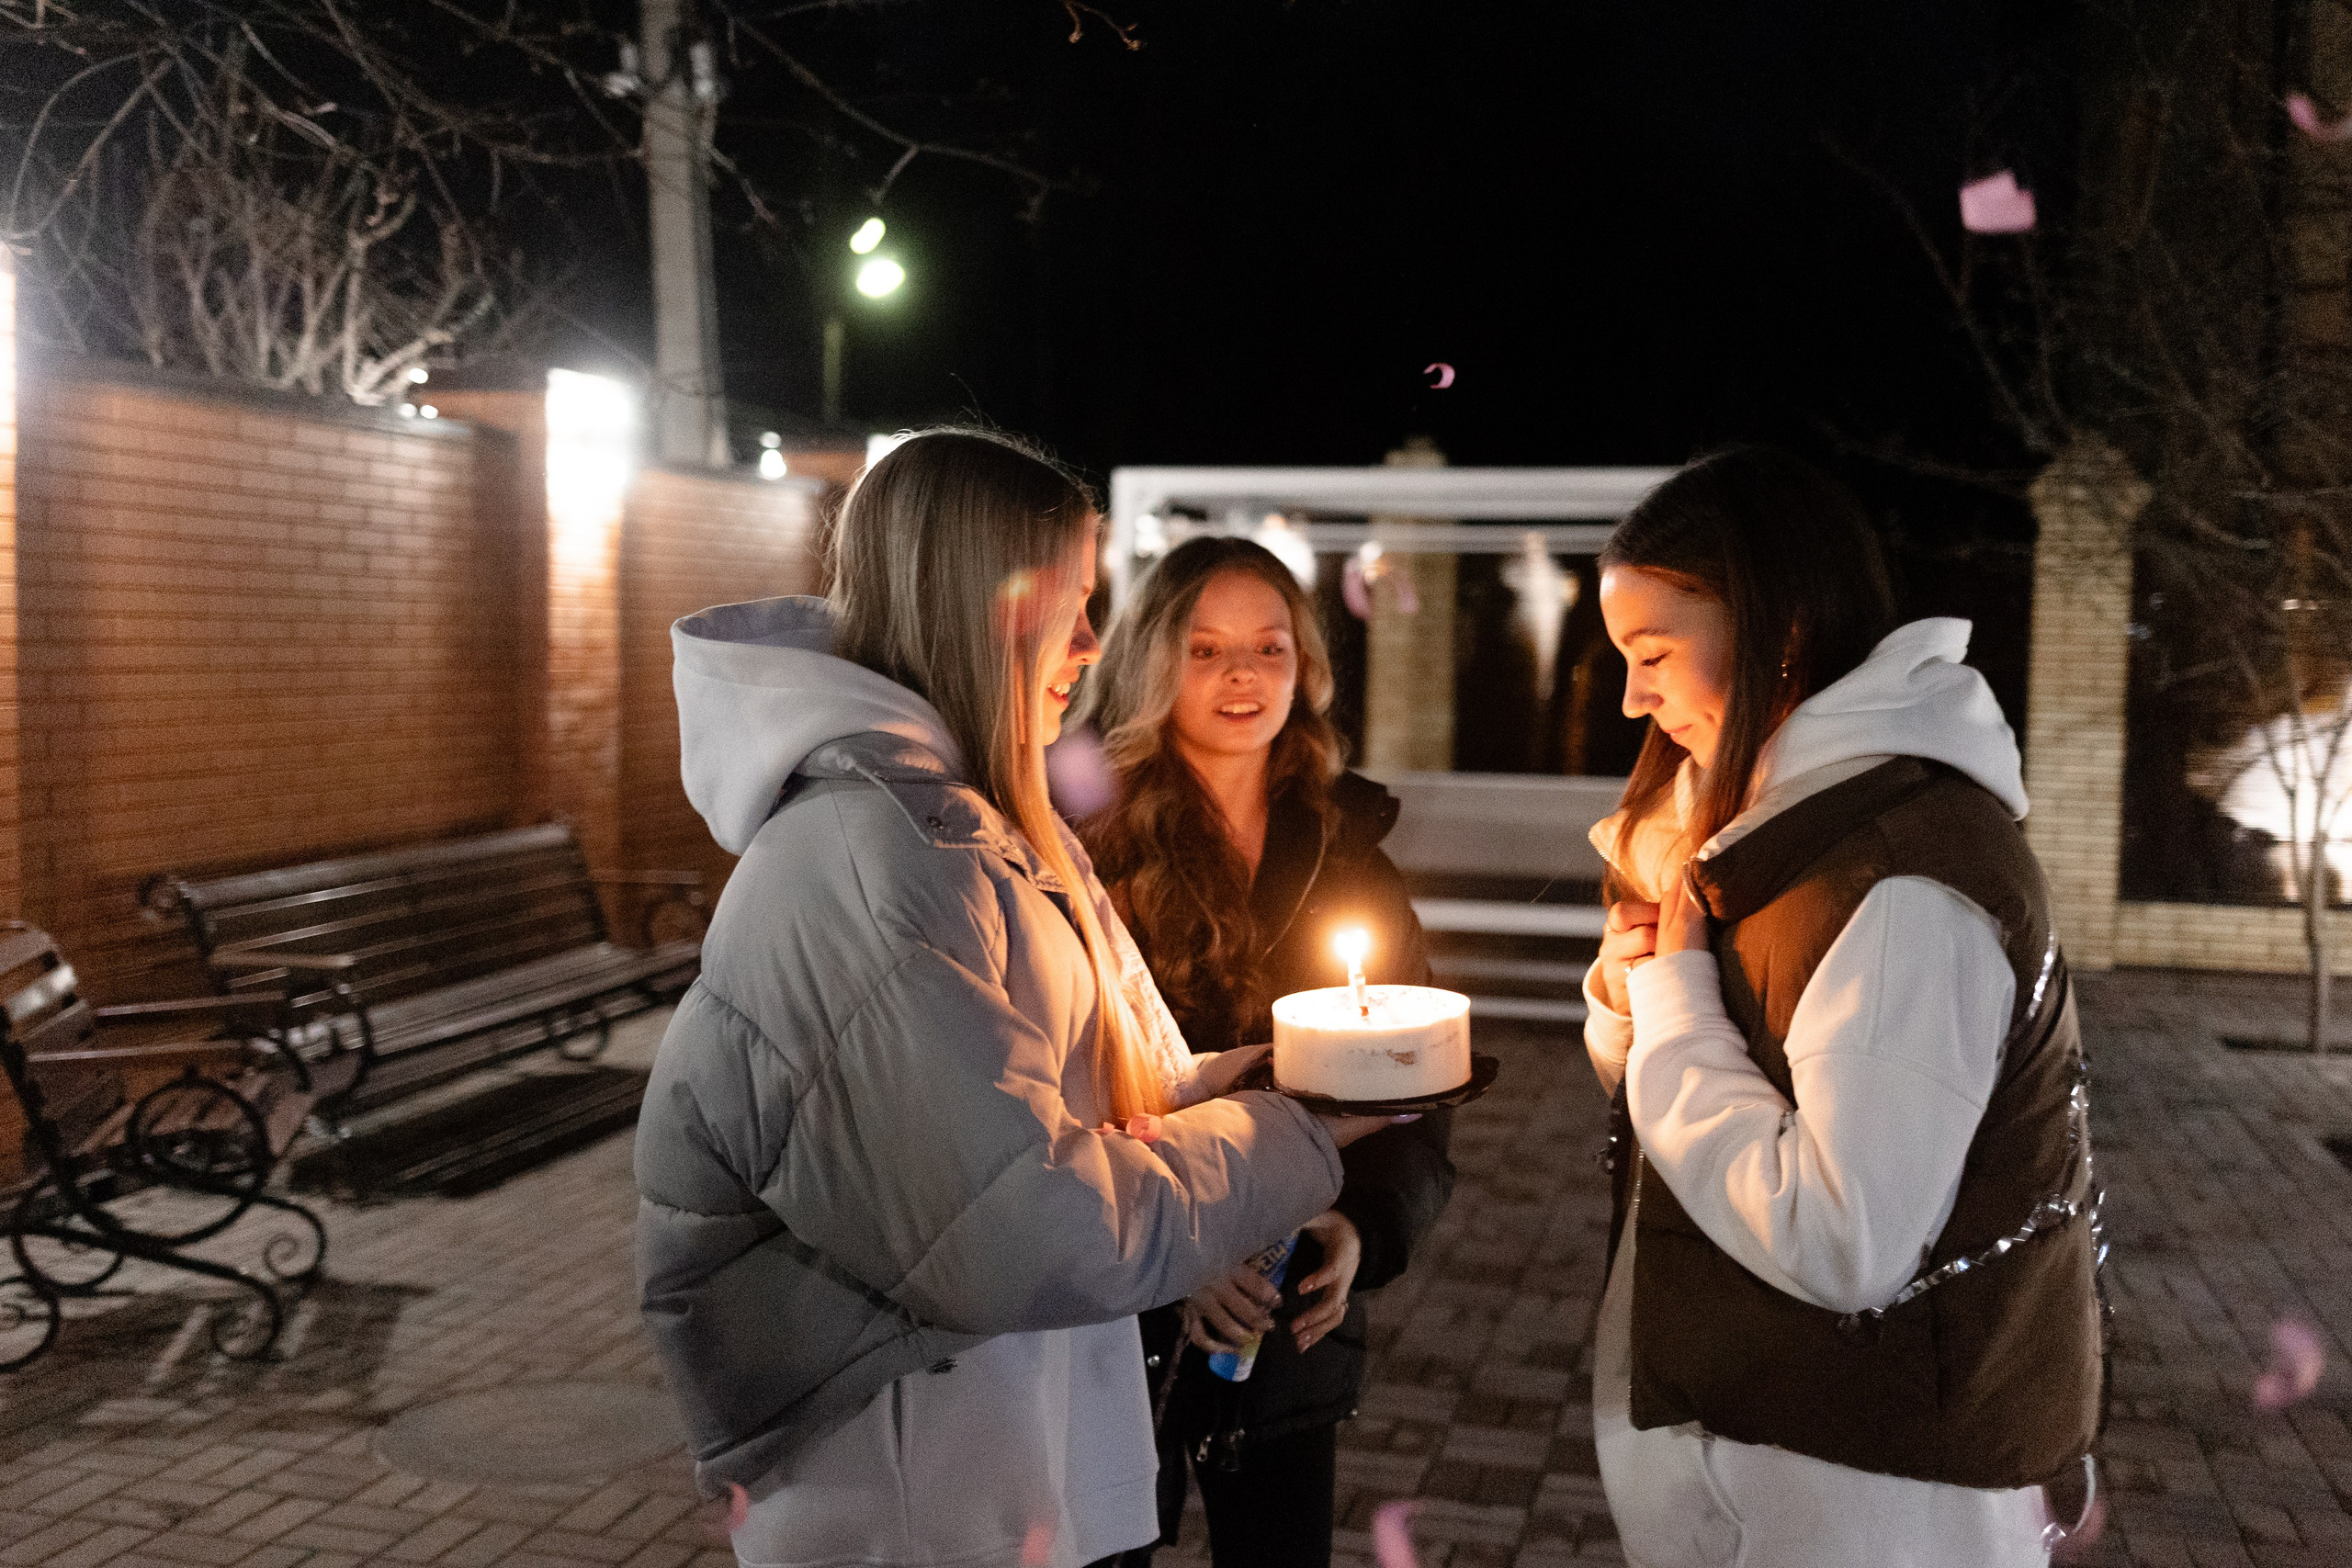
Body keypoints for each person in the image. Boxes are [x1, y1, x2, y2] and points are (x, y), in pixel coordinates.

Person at [634, 430, 1395, 1568]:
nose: (1089, 644)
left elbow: (1082, 1100)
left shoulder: (979, 827)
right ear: (979, 608)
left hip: (1004, 1446)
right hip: (909, 1478)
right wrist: (1288, 1134)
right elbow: (1019, 1230)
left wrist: (1266, 1080)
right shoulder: (871, 862)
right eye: (1070, 605)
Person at [1579, 447, 2104, 1568]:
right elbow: (1724, 1098)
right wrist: (1638, 1012)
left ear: (1775, 623)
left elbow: (1842, 1236)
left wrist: (1676, 1013)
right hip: (1788, 1457)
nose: (1632, 697)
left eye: (1653, 652)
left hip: (1866, 1498)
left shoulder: (1904, 884)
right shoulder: (1790, 835)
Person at [1077, 536, 1457, 1568]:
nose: (1243, 675)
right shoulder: (1083, 846)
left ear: (1307, 666)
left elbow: (1415, 1087)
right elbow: (1060, 1092)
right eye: (1204, 650)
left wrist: (1357, 1224)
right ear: (1147, 663)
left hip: (1285, 1318)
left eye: (1268, 646)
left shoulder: (1347, 850)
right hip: (1113, 1324)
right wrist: (1177, 1255)